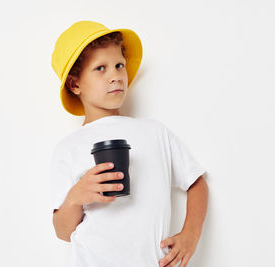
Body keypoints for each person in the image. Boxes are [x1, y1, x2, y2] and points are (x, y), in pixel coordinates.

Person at [50, 20, 209, 267]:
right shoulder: (69, 147)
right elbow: (62, 231)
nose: (115, 76)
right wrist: (75, 197)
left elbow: (196, 182)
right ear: (75, 84)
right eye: (100, 68)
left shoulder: (155, 132)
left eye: (119, 65)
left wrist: (191, 234)